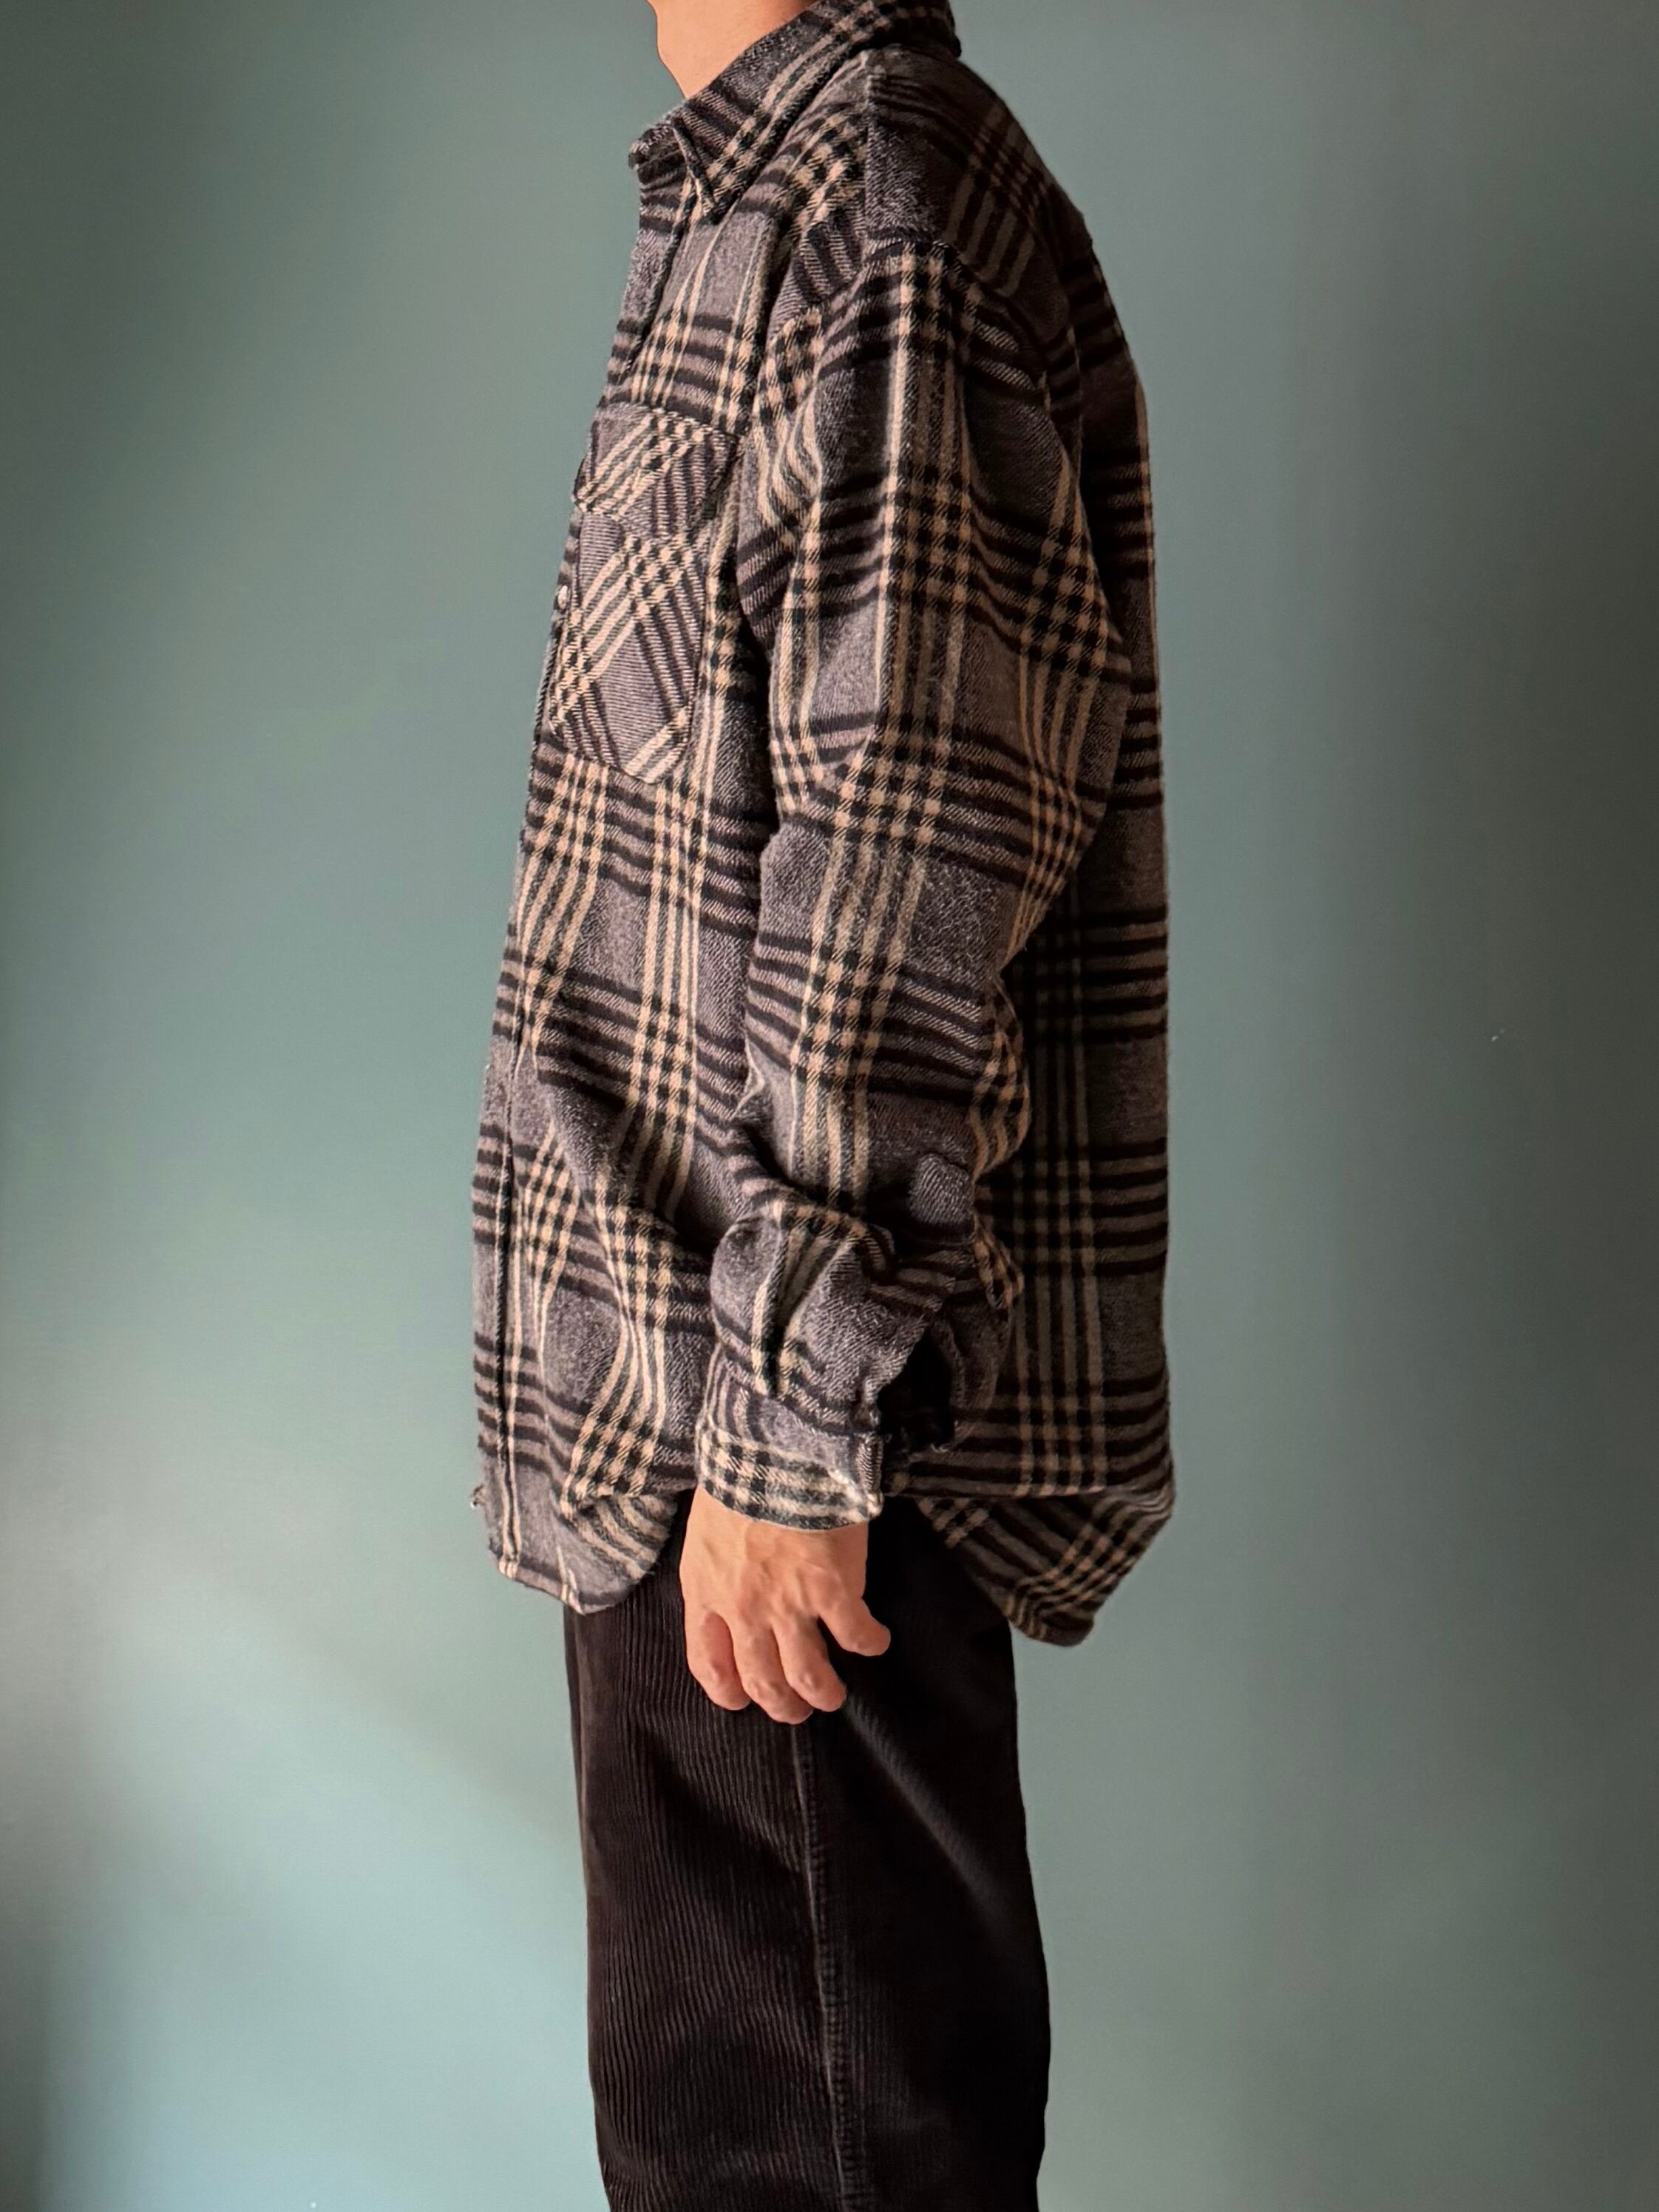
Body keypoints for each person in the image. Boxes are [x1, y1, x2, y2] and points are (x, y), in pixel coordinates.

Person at [468, 0, 1173, 2202]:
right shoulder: (779, 194)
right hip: (697, 1435)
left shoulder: (878, 205)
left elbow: (906, 838)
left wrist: (790, 1438)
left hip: (776, 1456)